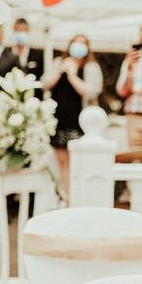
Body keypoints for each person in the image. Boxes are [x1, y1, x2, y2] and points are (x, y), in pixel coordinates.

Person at [43, 35, 103, 200]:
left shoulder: (90, 67)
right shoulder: (58, 62)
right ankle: (67, 195)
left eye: (83, 43)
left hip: (78, 122)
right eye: (76, 42)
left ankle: (76, 195)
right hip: (58, 120)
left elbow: (91, 92)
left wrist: (72, 75)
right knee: (61, 163)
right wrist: (60, 70)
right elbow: (45, 84)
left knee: (75, 162)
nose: (79, 46)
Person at [10, 18, 44, 96]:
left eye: (24, 30)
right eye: (19, 30)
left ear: (28, 32)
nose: (21, 33)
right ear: (14, 31)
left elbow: (40, 78)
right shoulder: (7, 53)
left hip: (32, 96)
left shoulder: (38, 54)